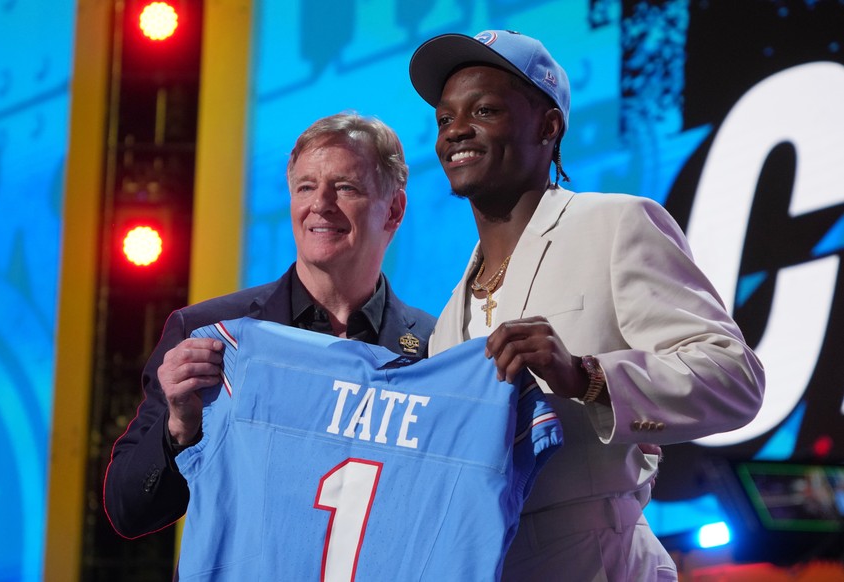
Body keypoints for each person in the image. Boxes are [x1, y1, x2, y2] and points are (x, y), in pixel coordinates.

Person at [409, 30, 765, 580]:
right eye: (444, 119)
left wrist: (586, 377)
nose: (456, 130)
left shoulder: (616, 224)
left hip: (599, 558)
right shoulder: (450, 315)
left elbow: (734, 378)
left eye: (484, 110)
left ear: (548, 126)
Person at [103, 112, 436, 538]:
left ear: (394, 209)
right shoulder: (209, 332)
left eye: (345, 187)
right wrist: (179, 429)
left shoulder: (433, 349)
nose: (320, 204)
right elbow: (128, 512)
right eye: (306, 187)